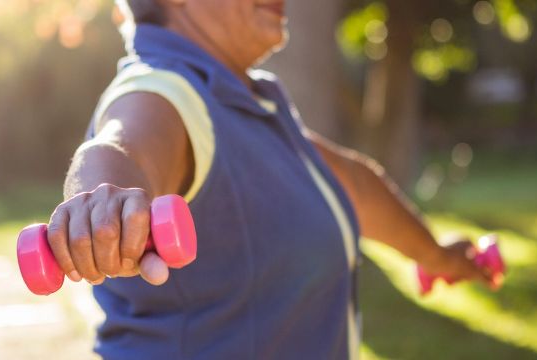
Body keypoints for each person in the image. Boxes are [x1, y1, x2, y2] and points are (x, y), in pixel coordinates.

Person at [44, 0, 492, 358]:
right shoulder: (164, 90)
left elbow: (352, 184)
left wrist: (436, 256)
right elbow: (120, 145)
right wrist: (102, 200)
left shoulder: (246, 105)